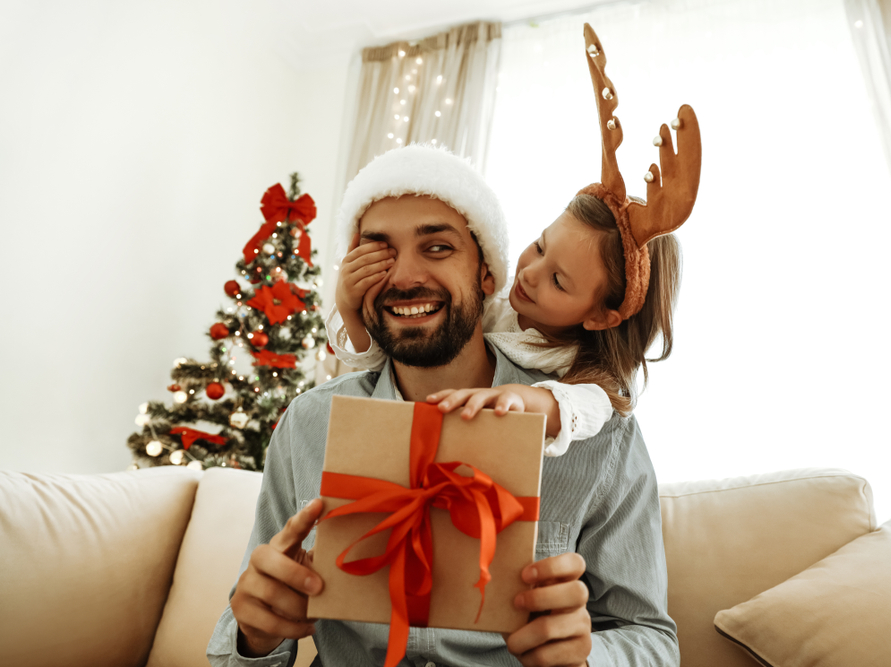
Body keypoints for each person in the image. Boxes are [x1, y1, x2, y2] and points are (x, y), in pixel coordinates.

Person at [206, 143, 680, 667]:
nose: (405, 277)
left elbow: (651, 638)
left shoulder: (597, 434)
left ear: (487, 275)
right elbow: (244, 641)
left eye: (437, 248)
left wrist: (588, 658)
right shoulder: (308, 424)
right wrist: (253, 636)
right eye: (378, 252)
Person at [327, 192, 681, 458]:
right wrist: (348, 308)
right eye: (540, 248)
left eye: (558, 281)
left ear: (600, 316)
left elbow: (582, 407)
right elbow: (381, 355)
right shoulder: (490, 302)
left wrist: (523, 397)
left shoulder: (584, 369)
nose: (528, 273)